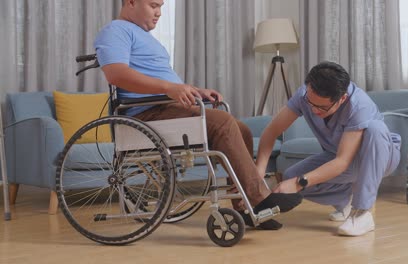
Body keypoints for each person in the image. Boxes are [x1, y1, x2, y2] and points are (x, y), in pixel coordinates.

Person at [93, 0, 302, 230]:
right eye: (153, 5)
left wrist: (195, 91)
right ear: (131, 2)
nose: (159, 13)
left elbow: (166, 82)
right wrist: (167, 88)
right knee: (222, 123)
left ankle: (243, 208)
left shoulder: (146, 38)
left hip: (166, 108)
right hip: (146, 115)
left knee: (241, 129)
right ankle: (259, 198)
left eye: (161, 7)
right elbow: (116, 74)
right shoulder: (115, 31)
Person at [255, 61, 401, 236]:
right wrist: (258, 175)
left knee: (376, 129)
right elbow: (271, 132)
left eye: (322, 107)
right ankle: (344, 201)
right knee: (289, 177)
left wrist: (298, 183)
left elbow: (342, 162)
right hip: (337, 157)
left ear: (342, 99)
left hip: (378, 157)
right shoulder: (304, 95)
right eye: (310, 103)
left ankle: (362, 212)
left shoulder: (359, 105)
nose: (313, 110)